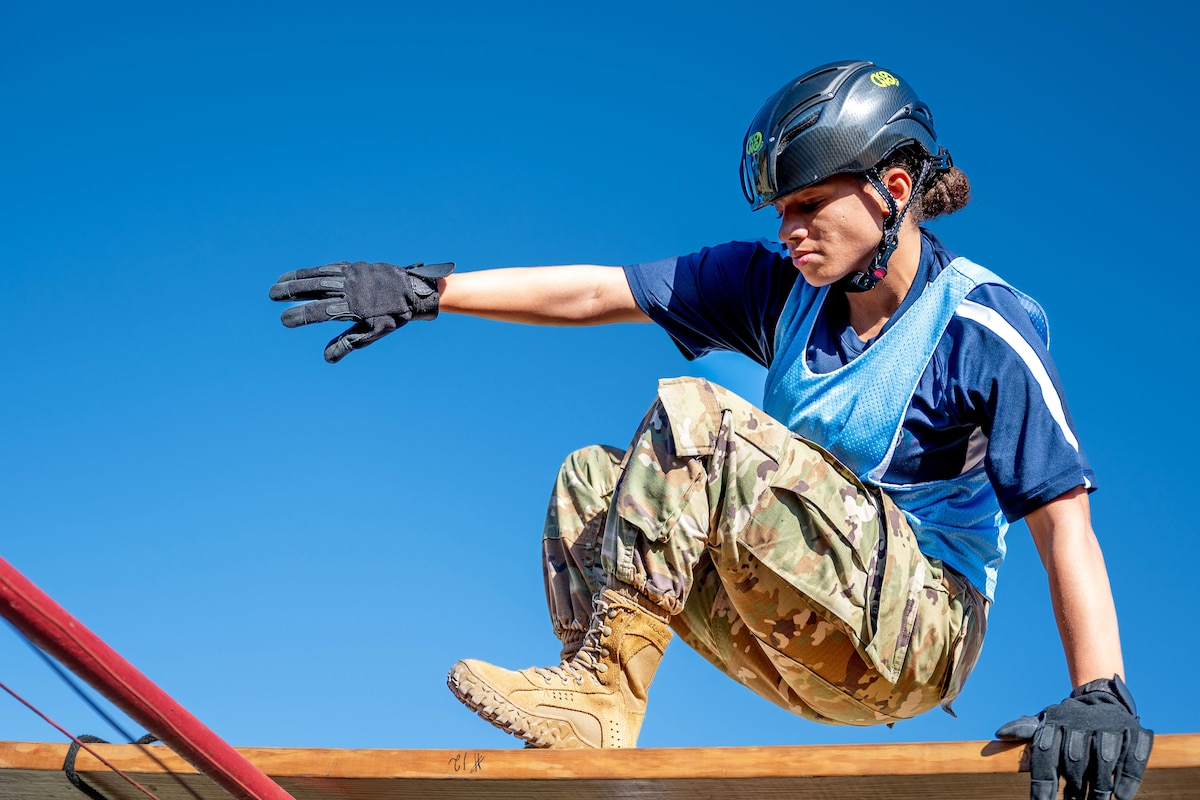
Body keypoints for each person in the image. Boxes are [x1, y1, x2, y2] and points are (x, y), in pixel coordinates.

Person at [270, 60, 1153, 800]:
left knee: (701, 413)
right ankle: (592, 722)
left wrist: (1100, 692)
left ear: (892, 191)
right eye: (781, 212)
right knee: (591, 480)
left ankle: (600, 693)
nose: (790, 230)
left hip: (922, 633)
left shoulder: (982, 329)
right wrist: (431, 293)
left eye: (809, 205)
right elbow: (597, 291)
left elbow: (1063, 524)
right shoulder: (777, 289)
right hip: (808, 634)